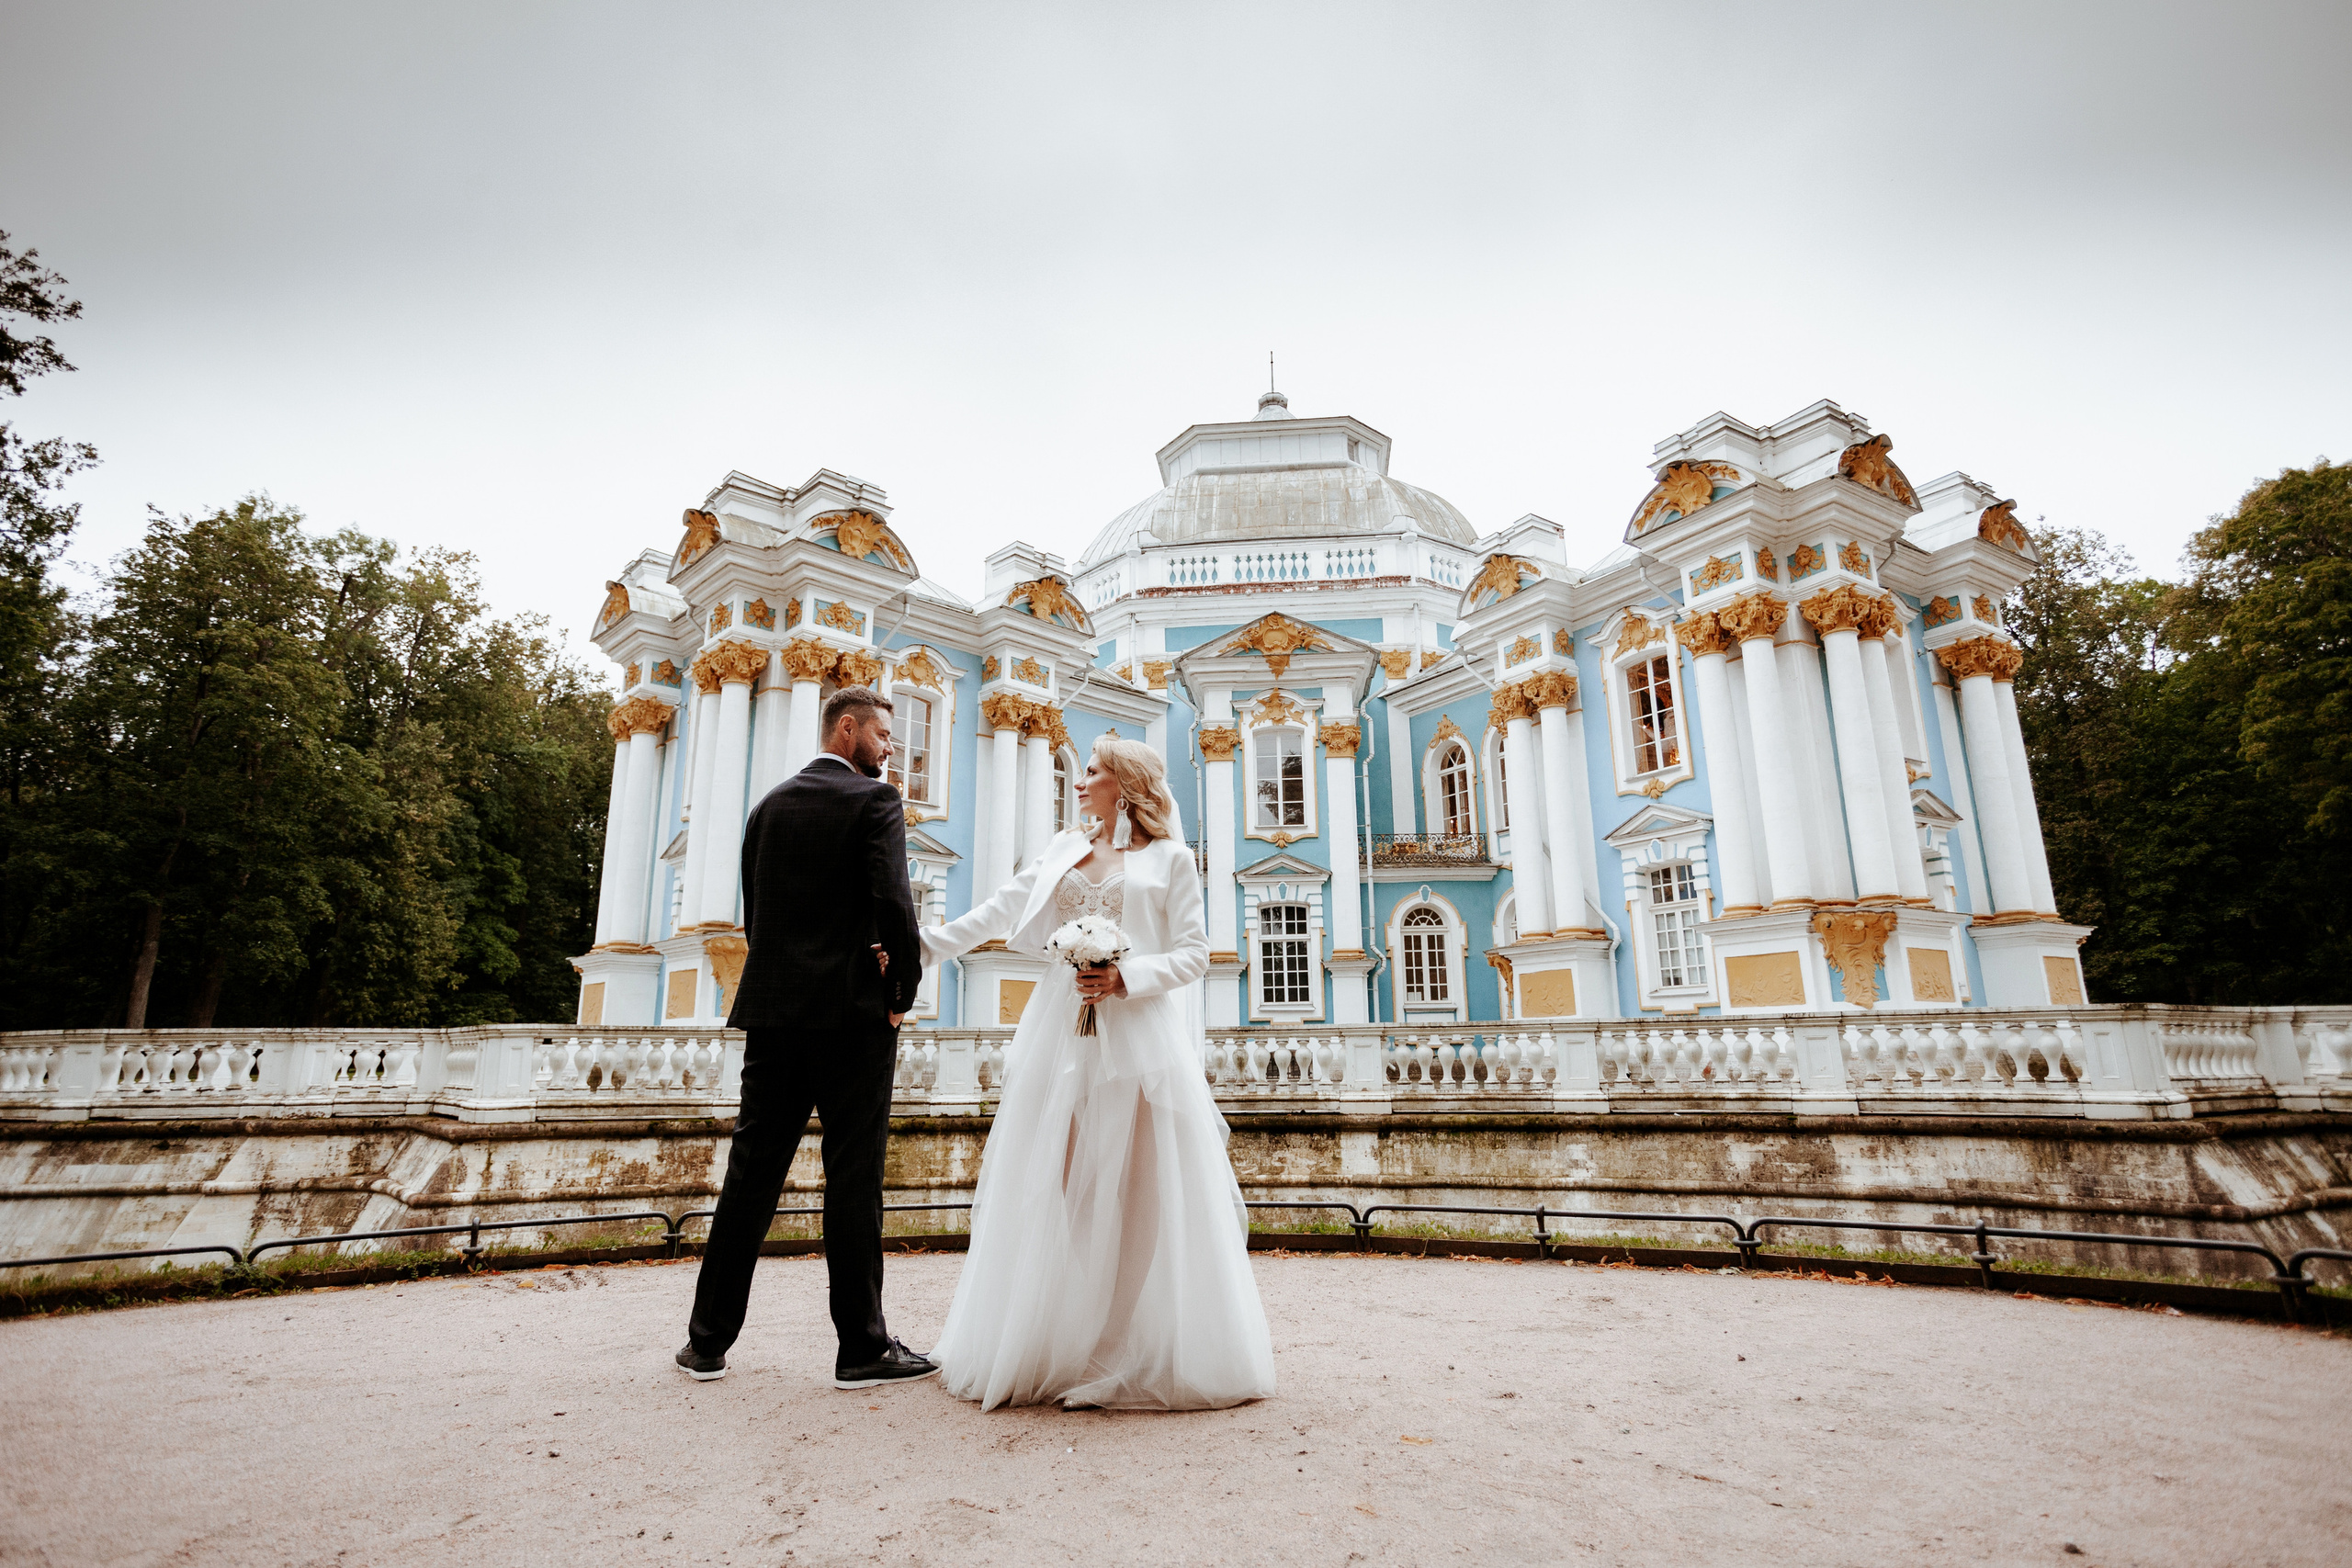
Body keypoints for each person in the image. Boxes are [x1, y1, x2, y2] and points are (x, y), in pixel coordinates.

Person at [918, 735, 1275, 1410]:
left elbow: (1196, 952)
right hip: (1061, 1030)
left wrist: (1125, 976)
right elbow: (999, 909)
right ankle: (1073, 1327)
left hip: (1138, 1032)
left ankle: (1113, 1351)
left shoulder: (1171, 859)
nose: (1079, 781)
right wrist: (919, 946)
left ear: (1125, 782)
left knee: (1137, 1191)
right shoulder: (1063, 847)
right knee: (1059, 1179)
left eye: (1091, 771)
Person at [675, 685, 937, 1390]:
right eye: (883, 733)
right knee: (853, 1180)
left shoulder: (765, 808)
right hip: (853, 1016)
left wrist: (781, 983)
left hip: (774, 1013)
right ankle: (862, 1347)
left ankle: (706, 1342)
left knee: (750, 1176)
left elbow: (758, 915)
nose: (891, 747)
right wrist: (899, 993)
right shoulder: (875, 803)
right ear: (845, 728)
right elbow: (893, 904)